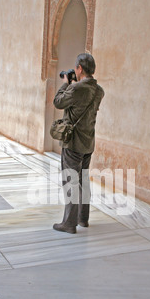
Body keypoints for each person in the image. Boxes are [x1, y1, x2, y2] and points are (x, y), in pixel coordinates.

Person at [53, 53, 105, 234]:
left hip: (73, 143)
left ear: (80, 69)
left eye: (76, 68)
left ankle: (69, 223)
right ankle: (83, 218)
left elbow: (58, 102)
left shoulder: (76, 89)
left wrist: (66, 83)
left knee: (71, 182)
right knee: (83, 180)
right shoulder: (99, 91)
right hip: (88, 142)